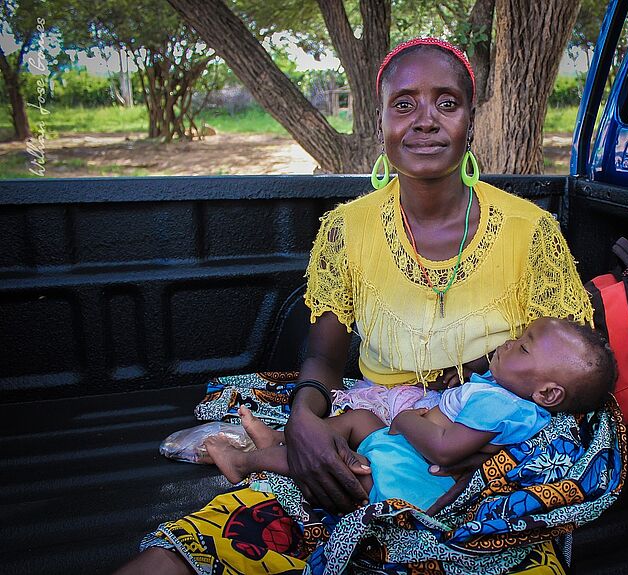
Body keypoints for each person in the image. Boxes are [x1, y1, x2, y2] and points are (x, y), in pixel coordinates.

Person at [120, 37, 596, 575]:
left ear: (469, 121)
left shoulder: (530, 230)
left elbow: (562, 365)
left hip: (489, 450)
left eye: (446, 103)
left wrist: (499, 451)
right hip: (379, 426)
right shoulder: (348, 229)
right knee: (224, 535)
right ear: (381, 122)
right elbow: (324, 356)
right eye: (404, 104)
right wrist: (303, 418)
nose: (424, 121)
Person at [204, 318, 616, 511]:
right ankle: (281, 440)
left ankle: (245, 460)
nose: (510, 342)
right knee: (359, 420)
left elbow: (444, 452)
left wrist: (403, 421)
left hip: (409, 473)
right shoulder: (508, 396)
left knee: (345, 462)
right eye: (520, 336)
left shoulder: (500, 404)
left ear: (548, 392)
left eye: (523, 348)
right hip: (409, 450)